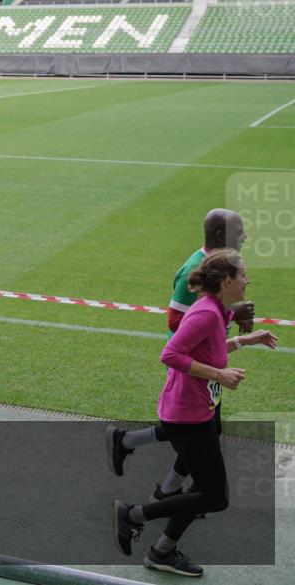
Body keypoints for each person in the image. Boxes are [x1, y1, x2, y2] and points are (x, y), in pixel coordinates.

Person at [113, 249, 277, 576]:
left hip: (198, 411)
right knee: (214, 498)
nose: (248, 281)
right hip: (187, 416)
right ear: (227, 281)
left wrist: (249, 340)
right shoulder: (206, 313)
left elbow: (213, 348)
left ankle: (162, 551)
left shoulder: (217, 311)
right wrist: (219, 375)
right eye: (243, 275)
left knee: (202, 491)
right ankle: (132, 516)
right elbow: (170, 354)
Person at [106, 209, 256, 500]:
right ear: (218, 236)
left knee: (203, 432)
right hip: (192, 366)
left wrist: (233, 316)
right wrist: (228, 314)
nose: (245, 237)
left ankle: (133, 449)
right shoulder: (195, 270)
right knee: (200, 435)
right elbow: (176, 321)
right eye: (239, 233)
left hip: (208, 362)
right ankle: (169, 495)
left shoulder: (218, 266)